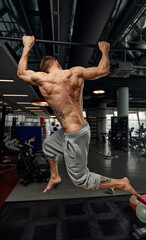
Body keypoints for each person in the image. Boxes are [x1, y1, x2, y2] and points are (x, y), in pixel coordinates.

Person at [17, 36, 138, 196]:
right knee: (48, 146)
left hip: (75, 135)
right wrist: (104, 52)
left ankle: (121, 183)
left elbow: (21, 73)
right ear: (57, 63)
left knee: (80, 179)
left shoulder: (43, 80)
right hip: (77, 128)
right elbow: (103, 70)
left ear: (45, 69)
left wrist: (26, 46)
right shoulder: (75, 72)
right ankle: (54, 176)